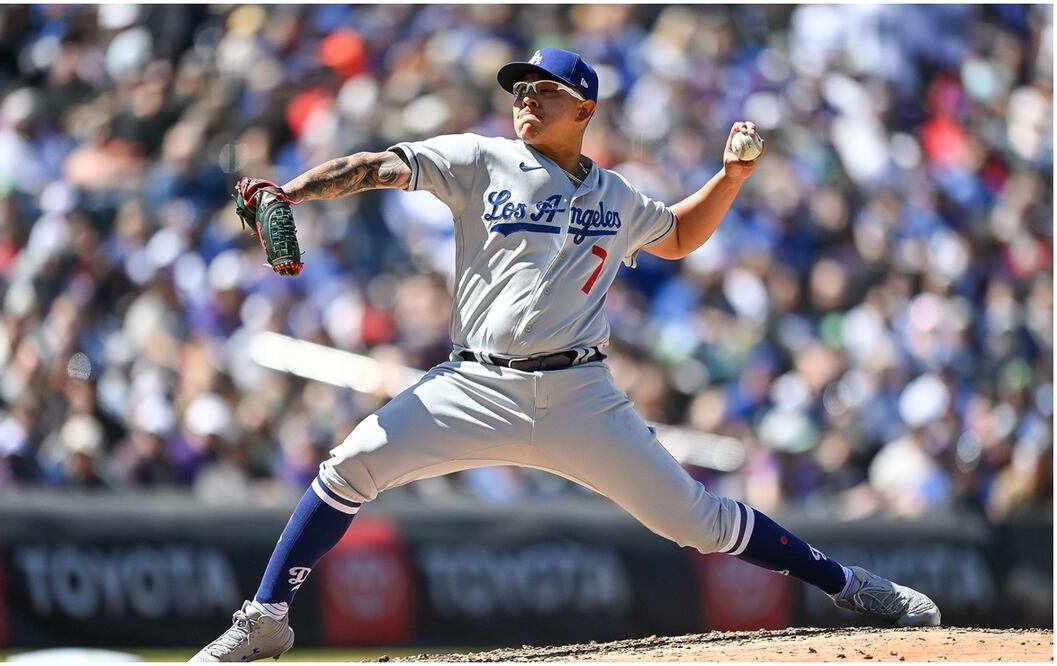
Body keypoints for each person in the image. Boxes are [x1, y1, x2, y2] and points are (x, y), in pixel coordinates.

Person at [190, 48, 939, 663]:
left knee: (699, 522)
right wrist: (289, 190)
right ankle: (266, 618)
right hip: (476, 383)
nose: (524, 99)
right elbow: (378, 166)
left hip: (581, 393)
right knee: (345, 470)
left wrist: (730, 179)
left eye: (543, 91)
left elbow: (676, 237)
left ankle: (849, 584)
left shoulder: (615, 196)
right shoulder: (478, 159)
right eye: (519, 88)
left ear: (583, 108)